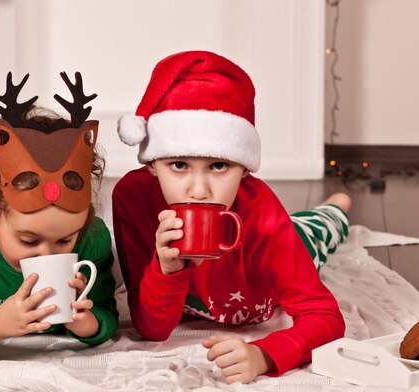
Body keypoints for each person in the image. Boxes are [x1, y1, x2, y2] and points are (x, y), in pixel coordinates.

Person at [112, 51, 349, 384]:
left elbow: (324, 316)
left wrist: (264, 354)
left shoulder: (261, 211)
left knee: (315, 230)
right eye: (179, 165)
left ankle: (335, 207)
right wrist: (167, 271)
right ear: (152, 165)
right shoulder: (132, 198)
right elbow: (152, 328)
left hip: (282, 250)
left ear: (244, 170)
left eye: (219, 166)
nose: (198, 190)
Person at [0, 72, 118, 353]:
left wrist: (85, 321)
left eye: (64, 241)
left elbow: (107, 315)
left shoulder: (91, 236)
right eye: (28, 241)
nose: (48, 256)